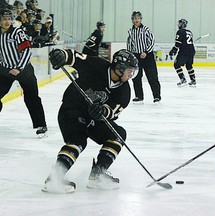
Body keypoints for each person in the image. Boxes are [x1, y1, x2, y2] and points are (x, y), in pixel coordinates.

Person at [42, 48, 138, 193]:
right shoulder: (97, 65)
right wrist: (62, 55)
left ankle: (97, 174)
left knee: (118, 134)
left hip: (94, 118)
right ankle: (54, 178)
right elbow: (74, 57)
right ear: (119, 68)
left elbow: (112, 112)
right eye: (129, 70)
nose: (131, 74)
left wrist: (102, 112)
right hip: (72, 109)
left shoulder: (125, 91)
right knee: (78, 139)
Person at [0, 8, 47, 137]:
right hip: (5, 70)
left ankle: (41, 125)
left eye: (9, 19)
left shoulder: (16, 32)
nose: (7, 22)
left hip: (24, 70)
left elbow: (26, 51)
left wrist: (19, 68)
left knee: (32, 98)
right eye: (4, 19)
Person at [127, 11, 161, 104]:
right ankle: (139, 96)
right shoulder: (130, 31)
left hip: (148, 56)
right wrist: (130, 55)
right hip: (136, 56)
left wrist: (146, 52)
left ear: (141, 19)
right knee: (136, 77)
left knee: (152, 77)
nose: (136, 20)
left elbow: (152, 41)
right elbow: (129, 44)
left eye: (138, 18)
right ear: (132, 20)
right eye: (134, 18)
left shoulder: (146, 29)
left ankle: (157, 96)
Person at [169, 19, 196, 87]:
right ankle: (193, 80)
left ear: (183, 24)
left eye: (179, 23)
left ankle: (183, 79)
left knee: (176, 65)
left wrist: (173, 50)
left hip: (184, 51)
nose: (178, 25)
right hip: (192, 51)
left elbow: (178, 43)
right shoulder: (189, 32)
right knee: (189, 65)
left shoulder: (180, 32)